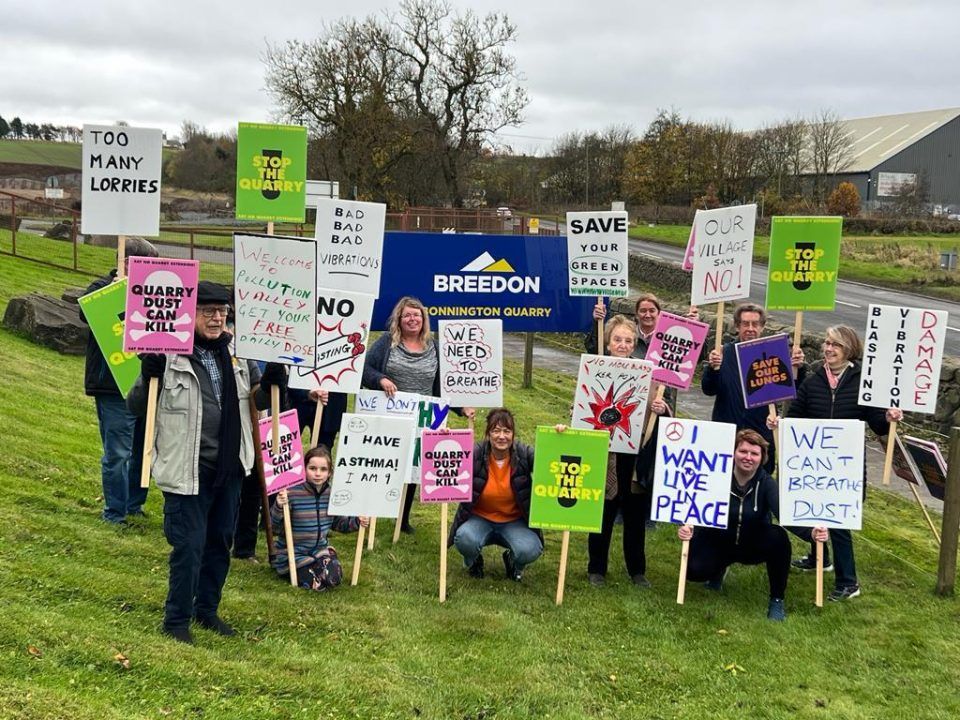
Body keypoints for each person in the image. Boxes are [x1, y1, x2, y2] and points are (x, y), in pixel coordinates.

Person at [128, 281, 281, 644]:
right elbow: (138, 407)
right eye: (208, 312)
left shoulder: (239, 356)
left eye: (223, 313)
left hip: (229, 469)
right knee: (189, 545)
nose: (217, 319)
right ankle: (176, 619)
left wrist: (274, 382)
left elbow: (257, 402)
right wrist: (149, 374)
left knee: (219, 543)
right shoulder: (166, 354)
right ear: (189, 314)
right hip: (187, 469)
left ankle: (207, 610)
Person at [769, 325, 901, 601]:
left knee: (839, 523)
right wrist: (780, 424)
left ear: (849, 349)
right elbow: (797, 417)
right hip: (813, 465)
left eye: (835, 345)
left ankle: (848, 582)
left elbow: (876, 422)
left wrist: (888, 419)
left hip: (845, 468)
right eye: (827, 343)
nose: (828, 349)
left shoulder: (862, 381)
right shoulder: (814, 380)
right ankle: (820, 558)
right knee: (808, 515)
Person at [676, 430, 828, 621]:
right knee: (693, 569)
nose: (748, 457)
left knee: (778, 538)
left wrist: (811, 533)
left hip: (752, 543)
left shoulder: (766, 484)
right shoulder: (716, 476)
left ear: (762, 457)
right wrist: (686, 527)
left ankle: (777, 600)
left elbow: (785, 514)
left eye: (754, 453)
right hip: (721, 540)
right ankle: (717, 571)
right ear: (733, 453)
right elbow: (695, 506)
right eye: (743, 451)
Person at [363, 296, 475, 533]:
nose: (412, 319)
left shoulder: (435, 347)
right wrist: (380, 379)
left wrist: (461, 408)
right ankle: (370, 515)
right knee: (384, 464)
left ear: (424, 319)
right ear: (399, 320)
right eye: (407, 315)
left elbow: (443, 386)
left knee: (412, 467)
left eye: (417, 315)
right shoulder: (386, 343)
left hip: (424, 416)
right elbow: (365, 368)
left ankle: (402, 520)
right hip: (391, 412)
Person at [80, 236, 159, 525]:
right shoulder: (101, 289)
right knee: (118, 453)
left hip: (147, 384)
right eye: (149, 263)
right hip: (113, 387)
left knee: (144, 450)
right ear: (127, 263)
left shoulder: (154, 292)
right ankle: (115, 513)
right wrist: (117, 291)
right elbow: (86, 312)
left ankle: (134, 505)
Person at [587, 315, 668, 588]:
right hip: (604, 452)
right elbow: (583, 408)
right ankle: (596, 568)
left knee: (634, 513)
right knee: (603, 511)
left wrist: (661, 409)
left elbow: (662, 417)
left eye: (628, 340)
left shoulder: (648, 375)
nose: (623, 345)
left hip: (634, 455)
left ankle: (637, 570)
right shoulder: (594, 370)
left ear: (635, 344)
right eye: (618, 340)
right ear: (608, 343)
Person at [702, 303, 804, 472]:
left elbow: (793, 391)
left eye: (755, 324)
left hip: (761, 436)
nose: (750, 328)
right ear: (736, 326)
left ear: (762, 326)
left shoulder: (775, 353)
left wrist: (797, 368)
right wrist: (713, 369)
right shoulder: (724, 353)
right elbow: (708, 389)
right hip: (727, 435)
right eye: (745, 324)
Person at [450, 408, 546, 581]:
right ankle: (473, 561)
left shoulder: (524, 454)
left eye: (507, 431)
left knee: (530, 549)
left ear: (513, 435)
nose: (502, 436)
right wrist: (443, 439)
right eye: (496, 430)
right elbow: (451, 458)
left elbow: (549, 462)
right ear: (488, 434)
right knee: (464, 538)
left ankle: (514, 563)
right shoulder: (476, 453)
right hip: (479, 518)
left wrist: (561, 437)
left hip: (514, 521)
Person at [270, 445, 366, 590]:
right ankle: (292, 570)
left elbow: (339, 523)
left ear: (329, 473)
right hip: (294, 555)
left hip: (319, 552)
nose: (318, 473)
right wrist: (278, 505)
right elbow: (275, 528)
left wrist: (358, 522)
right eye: (312, 468)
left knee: (334, 578)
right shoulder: (292, 493)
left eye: (323, 469)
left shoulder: (331, 494)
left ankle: (327, 559)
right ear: (304, 469)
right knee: (317, 584)